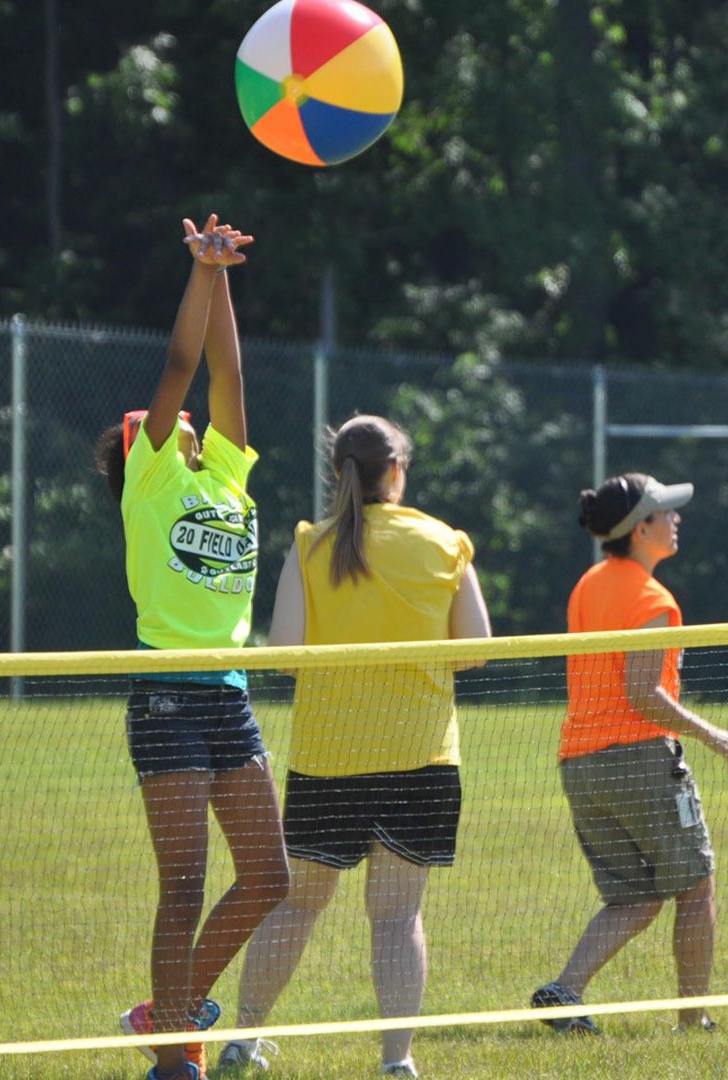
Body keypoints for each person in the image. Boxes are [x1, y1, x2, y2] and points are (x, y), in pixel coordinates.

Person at [222, 414, 492, 1079]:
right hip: (420, 759)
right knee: (397, 917)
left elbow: (284, 655)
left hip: (328, 759)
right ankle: (397, 1062)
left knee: (298, 905)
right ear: (396, 470)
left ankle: (242, 1043)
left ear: (337, 471)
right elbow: (477, 651)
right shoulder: (443, 542)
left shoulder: (310, 545)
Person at [93, 216, 291, 1080]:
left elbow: (225, 371)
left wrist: (226, 279)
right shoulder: (153, 479)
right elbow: (181, 368)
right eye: (159, 423)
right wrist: (200, 271)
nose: (178, 424)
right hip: (169, 695)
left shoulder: (227, 477)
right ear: (140, 449)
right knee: (183, 884)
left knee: (268, 878)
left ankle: (163, 1015)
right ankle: (177, 1057)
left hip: (229, 696)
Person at [531, 473, 728, 1035]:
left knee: (636, 897)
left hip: (580, 764)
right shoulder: (651, 598)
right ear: (640, 529)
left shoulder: (588, 583)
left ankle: (566, 991)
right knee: (696, 888)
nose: (676, 519)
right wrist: (711, 734)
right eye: (665, 512)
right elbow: (642, 693)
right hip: (638, 760)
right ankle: (692, 1020)